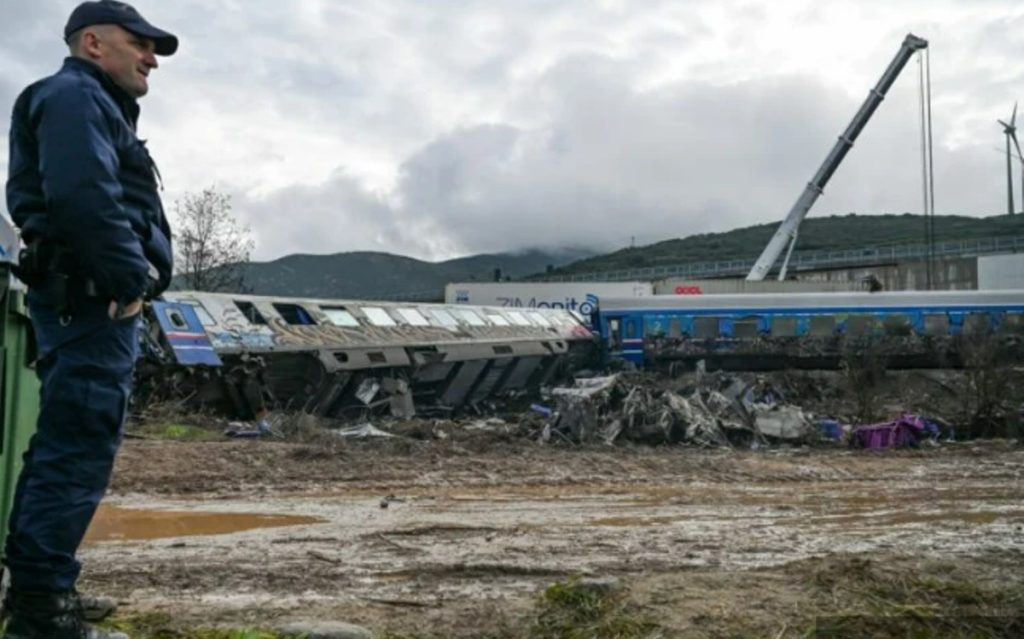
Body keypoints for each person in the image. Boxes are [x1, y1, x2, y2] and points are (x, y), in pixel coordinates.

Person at [3, 1, 176, 636]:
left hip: (89, 299)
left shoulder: (92, 104)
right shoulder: (73, 97)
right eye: (142, 44)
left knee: (65, 448)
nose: (152, 58)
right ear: (95, 44)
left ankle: (40, 591)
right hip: (93, 299)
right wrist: (129, 282)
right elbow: (82, 194)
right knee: (75, 451)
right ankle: (41, 614)